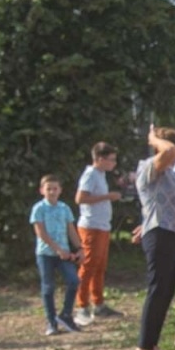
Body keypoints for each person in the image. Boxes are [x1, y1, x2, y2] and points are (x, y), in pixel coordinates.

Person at [133, 126, 175, 350]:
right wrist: (154, 139)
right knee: (158, 289)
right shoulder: (149, 167)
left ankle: (152, 343)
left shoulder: (172, 174)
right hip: (160, 233)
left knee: (167, 290)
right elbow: (166, 152)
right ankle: (144, 346)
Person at [74, 142, 121, 325]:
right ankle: (82, 305)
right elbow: (80, 198)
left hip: (102, 226)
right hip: (91, 226)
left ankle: (98, 303)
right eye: (111, 160)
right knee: (88, 267)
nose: (114, 163)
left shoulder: (100, 175)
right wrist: (108, 197)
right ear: (100, 159)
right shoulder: (90, 174)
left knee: (99, 267)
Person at [30, 174, 83, 336]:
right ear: (42, 191)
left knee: (74, 281)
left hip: (64, 254)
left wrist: (79, 248)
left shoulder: (64, 208)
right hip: (46, 254)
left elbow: (71, 230)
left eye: (55, 189)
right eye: (49, 189)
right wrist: (58, 249)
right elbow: (41, 232)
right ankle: (51, 322)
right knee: (48, 287)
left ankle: (66, 315)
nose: (52, 192)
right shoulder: (39, 208)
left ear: (60, 190)